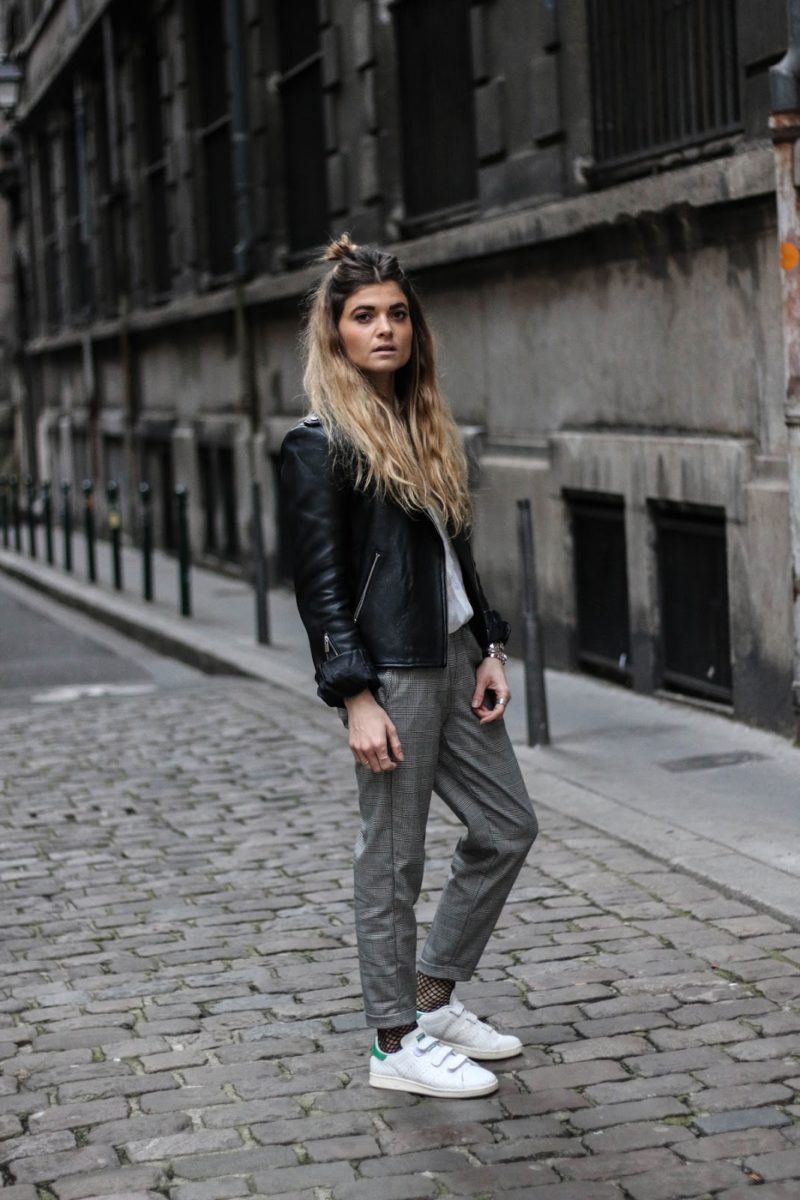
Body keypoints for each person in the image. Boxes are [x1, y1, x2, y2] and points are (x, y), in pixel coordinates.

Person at [279, 234, 538, 1099]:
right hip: (392, 674)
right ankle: (394, 1043)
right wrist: (354, 695)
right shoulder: (319, 446)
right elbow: (320, 588)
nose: (384, 328)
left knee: (506, 827)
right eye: (364, 316)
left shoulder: (423, 426)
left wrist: (489, 646)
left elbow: (455, 557)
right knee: (392, 862)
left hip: (455, 658)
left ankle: (431, 997)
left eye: (396, 313)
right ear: (336, 333)